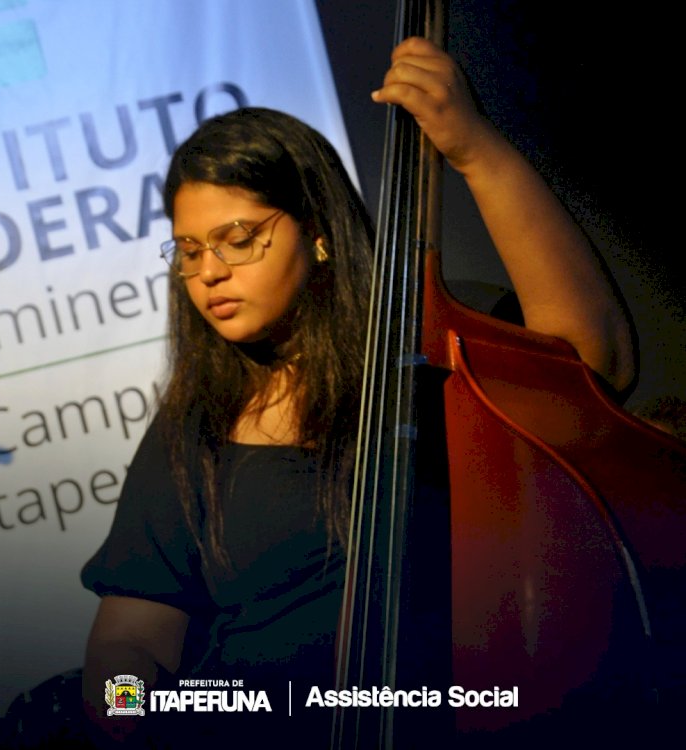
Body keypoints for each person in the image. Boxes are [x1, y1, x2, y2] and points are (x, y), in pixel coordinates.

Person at [79, 37, 635, 748]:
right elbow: (131, 637)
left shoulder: (437, 352)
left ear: (316, 234)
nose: (208, 272)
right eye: (189, 252)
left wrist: (475, 152)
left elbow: (597, 360)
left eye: (238, 238)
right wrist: (131, 710)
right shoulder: (196, 422)